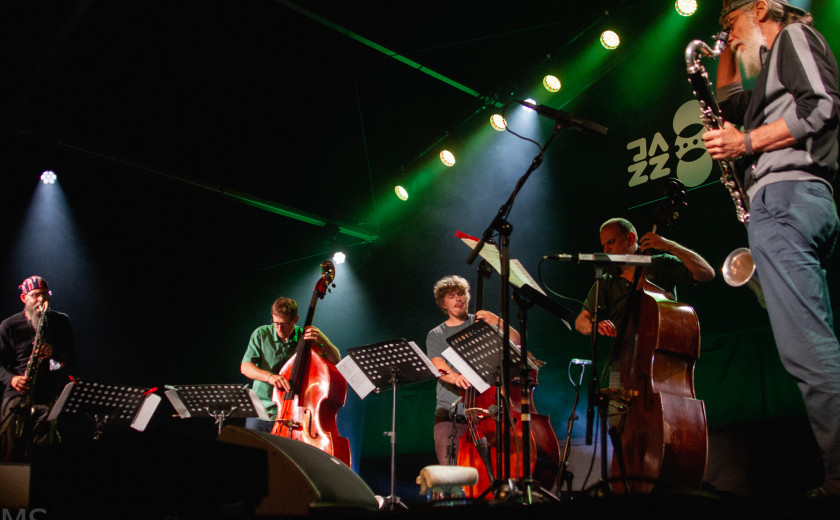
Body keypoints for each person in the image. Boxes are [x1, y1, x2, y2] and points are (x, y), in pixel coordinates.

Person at [702, 0, 840, 497]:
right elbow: (729, 102)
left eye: (732, 23)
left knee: (808, 350)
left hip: (787, 198)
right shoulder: (765, 82)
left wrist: (746, 143)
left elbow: (822, 106)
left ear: (760, 8)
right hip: (787, 204)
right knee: (806, 347)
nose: (730, 36)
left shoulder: (793, 38)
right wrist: (723, 48)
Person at [574, 218, 715, 385]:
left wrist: (671, 246)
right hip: (622, 364)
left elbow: (706, 274)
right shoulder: (607, 279)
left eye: (611, 242)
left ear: (630, 238)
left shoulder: (661, 264)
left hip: (662, 365)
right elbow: (580, 322)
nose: (606, 249)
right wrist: (596, 325)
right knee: (614, 402)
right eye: (604, 245)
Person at [425, 274, 521, 466]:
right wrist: (455, 377)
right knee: (451, 473)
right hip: (450, 414)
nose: (458, 298)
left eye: (461, 294)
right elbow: (437, 363)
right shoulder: (436, 334)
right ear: (443, 304)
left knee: (489, 469)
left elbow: (516, 341)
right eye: (451, 296)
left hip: (486, 412)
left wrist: (497, 321)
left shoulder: (482, 323)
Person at [0, 276, 76, 462]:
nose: (41, 300)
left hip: (47, 395)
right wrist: (12, 379)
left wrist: (53, 352)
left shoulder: (61, 322)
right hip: (17, 396)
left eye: (45, 294)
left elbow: (71, 359)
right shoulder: (9, 325)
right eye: (35, 295)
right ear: (24, 298)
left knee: (44, 455)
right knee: (11, 454)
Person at [240, 296, 340, 432]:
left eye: (284, 324)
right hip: (261, 412)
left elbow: (335, 361)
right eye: (276, 323)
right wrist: (270, 377)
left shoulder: (305, 337)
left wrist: (324, 341)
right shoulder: (261, 334)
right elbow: (245, 367)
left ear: (295, 320)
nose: (279, 328)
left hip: (293, 414)